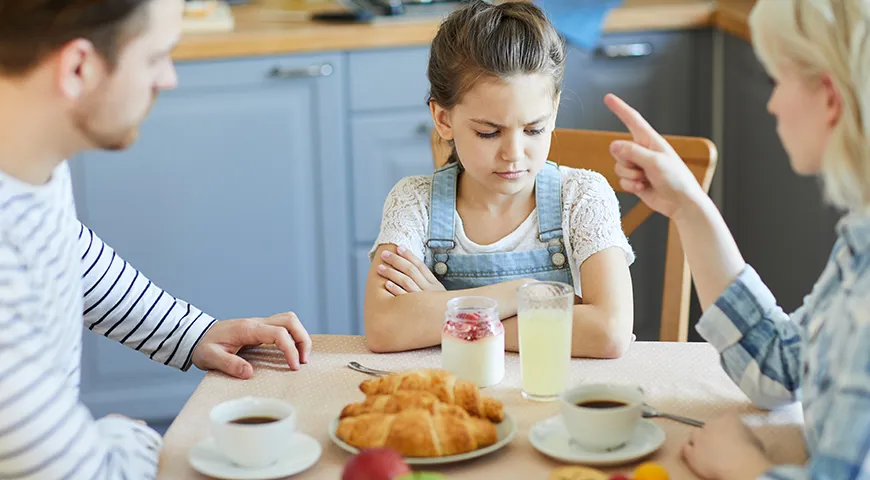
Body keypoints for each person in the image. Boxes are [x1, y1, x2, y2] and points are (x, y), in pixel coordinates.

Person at [0, 0, 312, 478]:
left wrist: (191, 333)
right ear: (79, 66)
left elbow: (67, 251)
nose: (168, 79)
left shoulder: (26, 154)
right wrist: (130, 436)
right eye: (155, 57)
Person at [607, 0, 870, 477]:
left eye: (778, 81)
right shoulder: (860, 244)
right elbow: (778, 366)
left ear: (829, 97)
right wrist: (688, 206)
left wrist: (744, 467)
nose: (771, 102)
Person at [363, 0, 636, 358]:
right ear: (443, 119)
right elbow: (384, 328)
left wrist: (452, 313)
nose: (514, 153)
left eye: (534, 129)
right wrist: (523, 292)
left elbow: (609, 333)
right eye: (489, 133)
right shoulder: (414, 202)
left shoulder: (583, 195)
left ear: (553, 112)